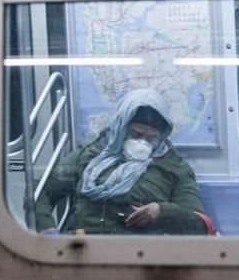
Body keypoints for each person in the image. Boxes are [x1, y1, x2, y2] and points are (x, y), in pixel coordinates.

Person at [38, 88, 214, 235]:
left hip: (140, 256)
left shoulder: (174, 167)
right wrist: (48, 230)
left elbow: (201, 225)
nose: (142, 143)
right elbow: (40, 193)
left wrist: (163, 212)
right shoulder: (90, 155)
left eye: (151, 138)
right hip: (83, 250)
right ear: (121, 129)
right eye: (136, 134)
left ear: (161, 137)